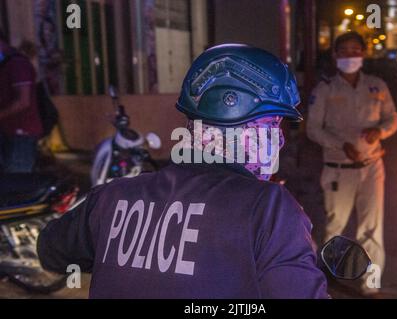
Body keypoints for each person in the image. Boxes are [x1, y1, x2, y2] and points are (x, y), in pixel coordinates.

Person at [37, 44, 329, 299]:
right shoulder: (269, 208)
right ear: (243, 129)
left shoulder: (112, 196)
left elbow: (50, 250)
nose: (278, 139)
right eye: (273, 125)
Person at [306, 32, 397, 295]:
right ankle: (326, 277)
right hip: (338, 170)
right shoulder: (325, 88)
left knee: (371, 227)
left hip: (372, 167)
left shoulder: (377, 86)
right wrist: (341, 145)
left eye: (355, 50)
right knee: (336, 226)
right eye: (344, 51)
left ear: (363, 54)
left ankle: (371, 285)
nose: (350, 55)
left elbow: (392, 118)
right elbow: (313, 129)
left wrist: (380, 132)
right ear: (335, 55)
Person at [0, 29, 43, 173]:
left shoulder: (18, 64)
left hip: (22, 134)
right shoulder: (6, 64)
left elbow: (23, 101)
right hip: (10, 132)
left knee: (18, 183)